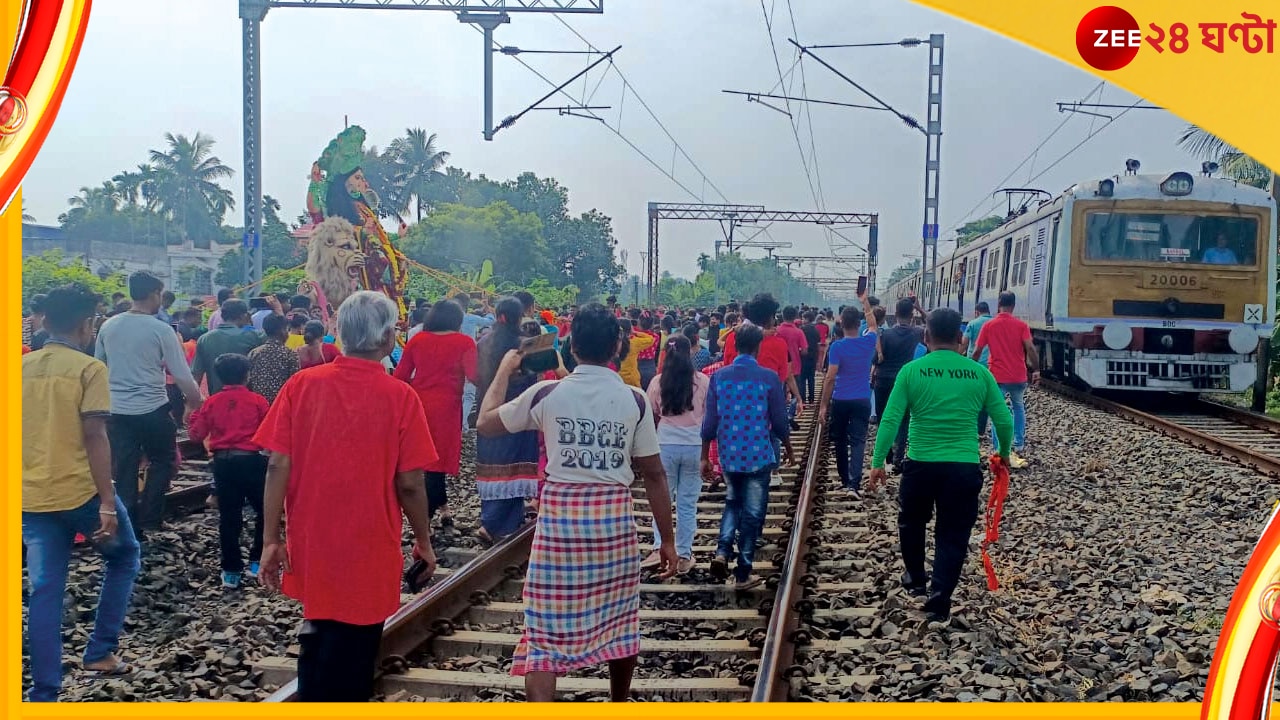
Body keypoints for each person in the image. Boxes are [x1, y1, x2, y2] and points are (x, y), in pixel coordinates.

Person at [477, 303, 677, 702]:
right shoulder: (634, 400)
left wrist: (504, 368)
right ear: (618, 345)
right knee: (620, 622)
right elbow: (654, 474)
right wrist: (667, 541)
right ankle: (618, 702)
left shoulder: (546, 393)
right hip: (612, 528)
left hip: (560, 529)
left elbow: (485, 422)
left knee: (544, 635)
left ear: (570, 346)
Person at [254, 291, 438, 702]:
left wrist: (270, 538)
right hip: (371, 539)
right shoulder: (400, 397)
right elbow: (410, 483)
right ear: (389, 337)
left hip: (313, 534)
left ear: (340, 332)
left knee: (318, 629)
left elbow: (276, 465)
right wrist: (423, 541)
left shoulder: (302, 385)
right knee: (356, 645)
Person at [23, 284, 142, 701]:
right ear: (86, 323)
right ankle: (100, 651)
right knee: (125, 556)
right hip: (80, 493)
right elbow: (95, 435)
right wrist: (107, 502)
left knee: (44, 589)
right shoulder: (89, 369)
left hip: (29, 497)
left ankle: (44, 692)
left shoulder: (18, 368)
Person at [868, 308, 1014, 627]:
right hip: (962, 467)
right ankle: (940, 601)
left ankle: (917, 579)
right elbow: (1004, 420)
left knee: (912, 522)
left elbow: (890, 418)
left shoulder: (912, 370)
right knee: (953, 533)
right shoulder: (978, 373)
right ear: (961, 340)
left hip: (920, 464)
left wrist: (878, 462)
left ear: (926, 336)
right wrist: (1002, 454)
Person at [95, 271, 204, 540]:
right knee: (163, 460)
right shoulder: (161, 329)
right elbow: (181, 373)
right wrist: (195, 401)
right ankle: (152, 518)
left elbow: (99, 365)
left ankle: (128, 522)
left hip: (117, 411)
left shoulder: (109, 326)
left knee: (125, 466)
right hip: (153, 408)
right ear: (155, 293)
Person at [701, 324, 792, 590]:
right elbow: (778, 420)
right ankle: (743, 573)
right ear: (758, 347)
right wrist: (788, 446)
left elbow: (709, 422)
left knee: (732, 502)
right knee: (752, 513)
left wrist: (705, 456)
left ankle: (722, 551)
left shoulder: (720, 377)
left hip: (729, 453)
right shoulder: (768, 377)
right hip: (758, 456)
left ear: (735, 345)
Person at [187, 354, 270, 589]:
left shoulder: (211, 402)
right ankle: (256, 563)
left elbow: (195, 435)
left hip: (223, 464)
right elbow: (268, 435)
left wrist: (195, 412)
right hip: (253, 462)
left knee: (229, 518)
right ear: (247, 375)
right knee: (265, 512)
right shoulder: (258, 401)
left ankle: (231, 571)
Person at [394, 299, 479, 526]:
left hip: (419, 405)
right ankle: (425, 520)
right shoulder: (464, 342)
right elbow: (475, 375)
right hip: (447, 409)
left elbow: (400, 375)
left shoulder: (417, 340)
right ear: (457, 320)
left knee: (426, 460)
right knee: (436, 462)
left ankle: (443, 508)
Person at [473, 298, 541, 545]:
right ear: (519, 316)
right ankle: (500, 525)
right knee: (515, 466)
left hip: (487, 408)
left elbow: (475, 376)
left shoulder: (482, 342)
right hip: (516, 410)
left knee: (493, 463)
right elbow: (532, 379)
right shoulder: (524, 345)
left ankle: (490, 518)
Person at [641, 334, 708, 576]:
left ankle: (659, 547)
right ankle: (684, 553)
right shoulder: (703, 381)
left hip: (665, 444)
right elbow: (709, 415)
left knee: (663, 500)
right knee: (688, 503)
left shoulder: (658, 382)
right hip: (694, 445)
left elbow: (651, 413)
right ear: (689, 352)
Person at [818, 294, 879, 495]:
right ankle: (854, 484)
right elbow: (873, 325)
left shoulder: (837, 347)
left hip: (841, 399)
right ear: (858, 323)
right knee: (859, 441)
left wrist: (824, 405)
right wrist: (865, 301)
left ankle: (845, 481)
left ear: (841, 323)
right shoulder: (868, 341)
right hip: (862, 399)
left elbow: (830, 377)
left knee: (841, 440)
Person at [972, 291, 1039, 468]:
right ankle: (1018, 443)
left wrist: (971, 368)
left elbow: (977, 351)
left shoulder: (989, 325)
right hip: (1018, 375)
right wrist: (1037, 369)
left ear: (998, 304)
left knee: (997, 412)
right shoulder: (1021, 325)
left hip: (997, 376)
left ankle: (999, 446)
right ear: (1014, 306)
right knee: (1018, 406)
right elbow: (1030, 348)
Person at [873, 298, 924, 468]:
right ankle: (898, 459)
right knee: (903, 420)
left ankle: (887, 456)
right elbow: (933, 325)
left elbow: (876, 360)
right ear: (911, 315)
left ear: (894, 315)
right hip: (905, 381)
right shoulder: (917, 333)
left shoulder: (884, 335)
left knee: (883, 418)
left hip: (883, 381)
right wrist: (921, 309)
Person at [192, 299, 266, 395]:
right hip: (247, 401)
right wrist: (278, 310)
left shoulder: (205, 339)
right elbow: (276, 337)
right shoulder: (254, 336)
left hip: (217, 400)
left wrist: (193, 401)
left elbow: (196, 375)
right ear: (243, 316)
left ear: (222, 315)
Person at [248, 313, 300, 405]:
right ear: (282, 331)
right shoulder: (289, 354)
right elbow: (295, 385)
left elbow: (248, 382)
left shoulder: (254, 353)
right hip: (280, 407)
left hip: (257, 405)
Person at [959, 302, 994, 435]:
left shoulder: (972, 324)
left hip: (974, 364)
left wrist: (955, 357)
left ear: (977, 312)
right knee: (984, 398)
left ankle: (969, 425)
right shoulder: (994, 323)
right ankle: (981, 429)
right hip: (990, 365)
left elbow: (964, 344)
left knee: (971, 396)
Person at [777, 306, 809, 385]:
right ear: (795, 316)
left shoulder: (777, 330)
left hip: (779, 367)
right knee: (796, 390)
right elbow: (804, 351)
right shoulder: (799, 332)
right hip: (795, 367)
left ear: (783, 315)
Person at [798, 311, 822, 404]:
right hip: (813, 357)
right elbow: (818, 345)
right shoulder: (815, 330)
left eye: (803, 318)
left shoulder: (801, 330)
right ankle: (811, 398)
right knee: (811, 378)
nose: (802, 320)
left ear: (807, 319)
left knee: (802, 379)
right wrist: (818, 360)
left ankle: (803, 399)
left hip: (803, 356)